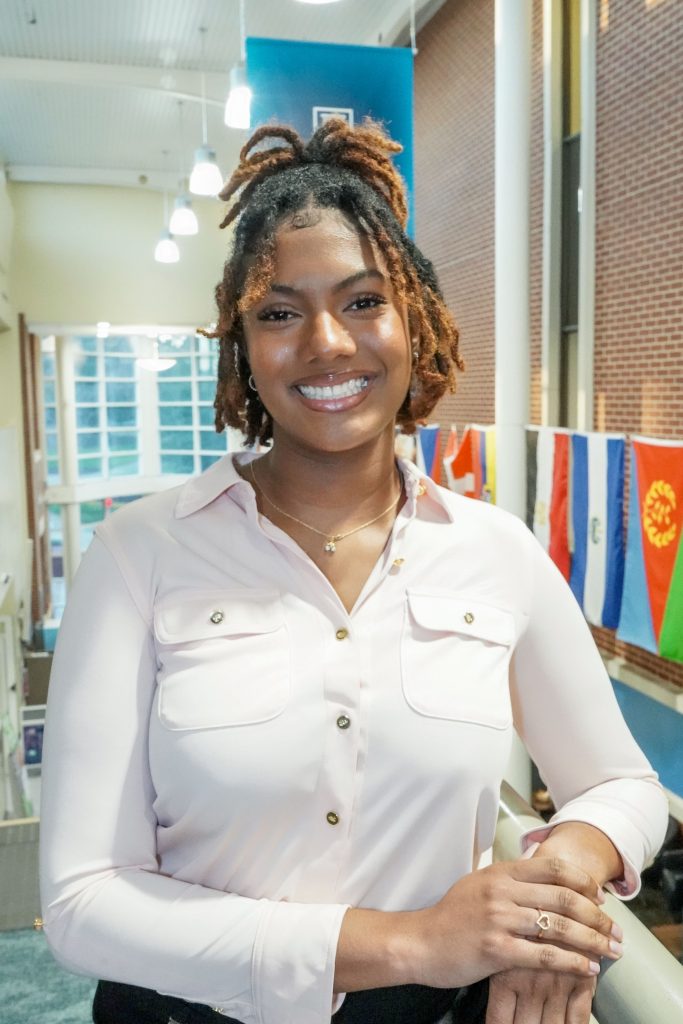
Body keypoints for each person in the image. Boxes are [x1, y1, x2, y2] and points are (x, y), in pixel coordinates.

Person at [40, 118, 668, 1024]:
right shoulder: (140, 555)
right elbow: (81, 901)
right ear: (243, 349)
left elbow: (622, 786)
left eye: (364, 301)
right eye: (280, 313)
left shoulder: (495, 553)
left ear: (413, 317)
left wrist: (553, 885)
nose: (328, 342)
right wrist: (413, 941)